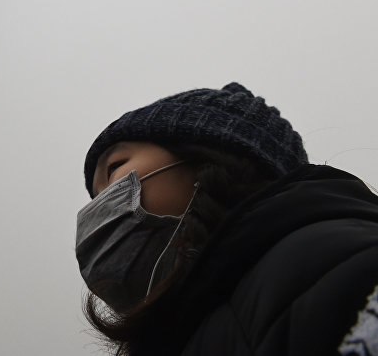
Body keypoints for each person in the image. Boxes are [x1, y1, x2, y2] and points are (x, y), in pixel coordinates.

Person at [75, 83, 378, 356]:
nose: (104, 205)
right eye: (98, 196)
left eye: (114, 168)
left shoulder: (338, 265)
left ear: (206, 153)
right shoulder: (191, 330)